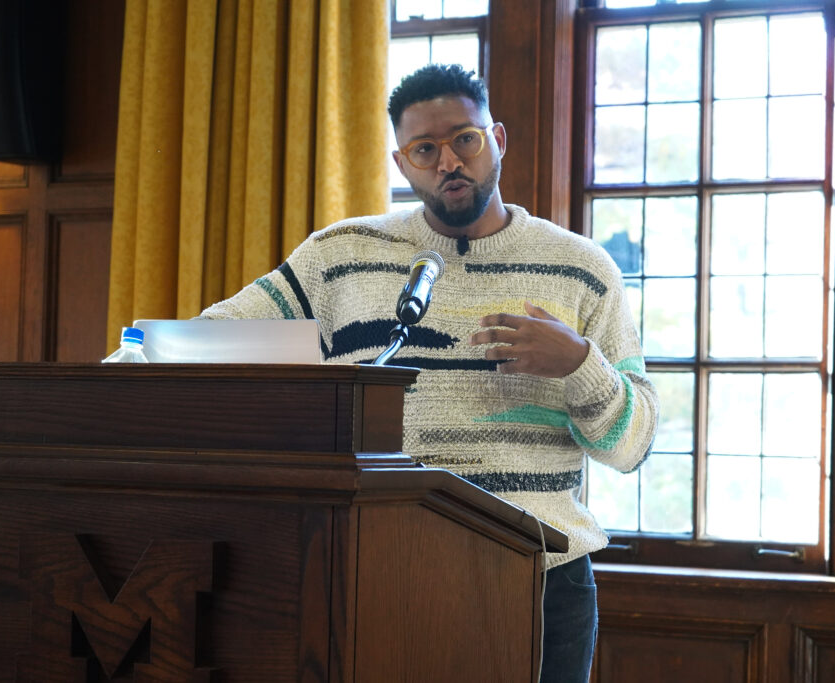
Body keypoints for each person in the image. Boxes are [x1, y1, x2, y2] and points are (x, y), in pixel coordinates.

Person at [199, 63, 658, 683]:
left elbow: (632, 448)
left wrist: (580, 366)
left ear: (497, 138)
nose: (448, 161)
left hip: (539, 578)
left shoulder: (582, 269)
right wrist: (126, 359)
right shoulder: (340, 258)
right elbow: (219, 335)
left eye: (463, 139)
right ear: (402, 162)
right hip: (377, 570)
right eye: (425, 149)